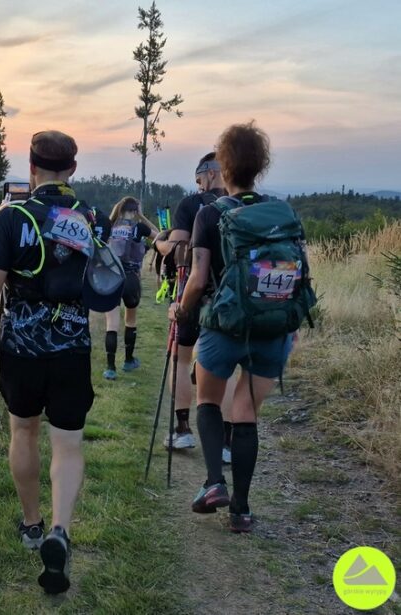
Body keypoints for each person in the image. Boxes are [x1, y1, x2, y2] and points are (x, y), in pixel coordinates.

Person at [0, 130, 110, 593]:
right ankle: (61, 530)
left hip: (21, 350)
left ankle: (31, 526)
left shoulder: (12, 218)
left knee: (23, 430)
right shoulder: (91, 219)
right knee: (68, 443)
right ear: (73, 170)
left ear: (31, 166)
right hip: (72, 347)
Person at [169, 121, 306, 533]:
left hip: (224, 327)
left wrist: (180, 309)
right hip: (273, 327)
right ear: (261, 166)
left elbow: (197, 277)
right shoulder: (282, 212)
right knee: (246, 413)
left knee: (209, 401)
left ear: (222, 167)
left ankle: (214, 483)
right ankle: (242, 512)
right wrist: (293, 322)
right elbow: (301, 270)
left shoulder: (210, 213)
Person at [155, 153, 234, 458]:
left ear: (210, 174)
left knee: (181, 359)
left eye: (199, 177)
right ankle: (226, 443)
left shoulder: (192, 204)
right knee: (225, 369)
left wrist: (158, 243)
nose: (198, 183)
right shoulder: (243, 204)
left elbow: (177, 252)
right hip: (230, 298)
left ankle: (182, 430)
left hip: (192, 290)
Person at [102, 197, 158, 380]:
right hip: (131, 278)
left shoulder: (110, 227)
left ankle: (110, 368)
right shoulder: (138, 228)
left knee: (111, 323)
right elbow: (160, 235)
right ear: (135, 211)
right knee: (130, 320)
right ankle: (128, 360)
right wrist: (142, 218)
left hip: (112, 277)